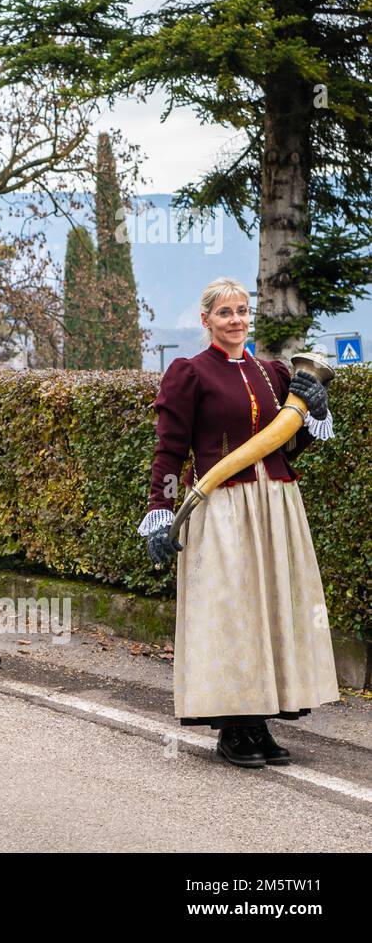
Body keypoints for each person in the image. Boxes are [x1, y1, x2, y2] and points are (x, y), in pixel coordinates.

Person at [140, 277, 340, 768]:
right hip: (222, 508)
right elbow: (170, 450)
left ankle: (261, 720)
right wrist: (160, 512)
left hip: (277, 503)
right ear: (205, 320)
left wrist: (315, 410)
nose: (236, 320)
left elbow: (288, 446)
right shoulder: (189, 373)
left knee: (272, 607)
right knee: (232, 612)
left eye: (242, 311)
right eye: (225, 312)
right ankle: (234, 727)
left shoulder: (272, 372)